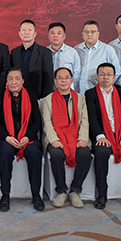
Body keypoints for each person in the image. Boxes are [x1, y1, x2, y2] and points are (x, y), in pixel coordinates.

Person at [84, 63, 121, 209]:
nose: (106, 77)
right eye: (102, 74)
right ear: (97, 77)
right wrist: (100, 136)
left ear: (114, 77)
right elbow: (92, 118)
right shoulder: (90, 94)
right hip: (102, 135)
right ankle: (101, 194)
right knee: (101, 153)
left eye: (109, 74)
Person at [40, 67, 92, 208]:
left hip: (76, 137)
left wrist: (82, 138)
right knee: (56, 155)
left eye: (66, 77)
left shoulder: (80, 99)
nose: (63, 80)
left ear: (71, 80)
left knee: (85, 154)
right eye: (60, 78)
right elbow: (47, 123)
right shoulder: (48, 100)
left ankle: (75, 190)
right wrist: (54, 140)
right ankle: (61, 191)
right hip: (56, 138)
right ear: (55, 81)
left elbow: (85, 121)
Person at [0, 68, 44, 212]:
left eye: (17, 78)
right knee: (4, 154)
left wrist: (27, 137)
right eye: (10, 78)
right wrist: (7, 137)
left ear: (22, 81)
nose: (13, 82)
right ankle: (5, 195)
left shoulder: (31, 96)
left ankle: (36, 195)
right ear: (6, 81)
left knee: (35, 153)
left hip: (27, 138)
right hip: (7, 138)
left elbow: (36, 122)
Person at [10, 19, 54, 98]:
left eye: (30, 30)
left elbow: (48, 79)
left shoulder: (44, 52)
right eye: (24, 30)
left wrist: (44, 98)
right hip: (17, 95)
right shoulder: (14, 52)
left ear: (35, 34)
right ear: (19, 33)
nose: (26, 32)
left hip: (38, 96)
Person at [75, 20, 120, 93]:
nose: (89, 34)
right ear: (82, 34)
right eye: (86, 32)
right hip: (80, 92)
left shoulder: (107, 50)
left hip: (100, 93)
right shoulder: (76, 49)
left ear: (98, 33)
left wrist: (106, 86)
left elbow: (117, 71)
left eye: (93, 31)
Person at [47, 22, 81, 92]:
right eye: (52, 33)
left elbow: (77, 74)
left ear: (64, 36)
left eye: (59, 33)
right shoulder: (44, 52)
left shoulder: (72, 52)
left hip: (67, 91)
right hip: (48, 91)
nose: (55, 36)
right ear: (48, 36)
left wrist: (66, 85)